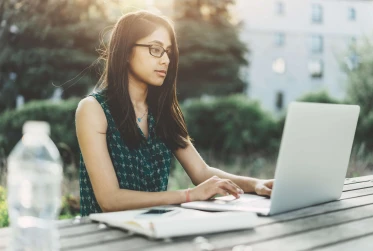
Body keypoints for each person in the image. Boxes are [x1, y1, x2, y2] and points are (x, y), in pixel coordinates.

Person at [75, 10, 274, 216]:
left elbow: (201, 173)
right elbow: (109, 199)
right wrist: (188, 195)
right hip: (102, 238)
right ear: (125, 52)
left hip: (154, 232)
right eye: (155, 49)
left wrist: (257, 184)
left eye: (168, 52)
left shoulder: (161, 111)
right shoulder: (93, 109)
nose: (166, 61)